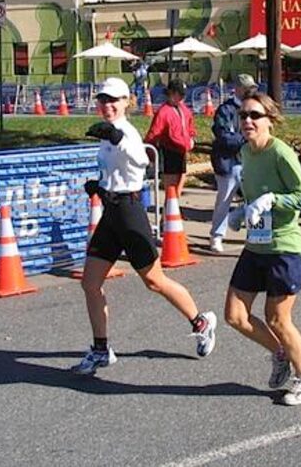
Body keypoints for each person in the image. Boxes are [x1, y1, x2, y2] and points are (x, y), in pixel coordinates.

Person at [72, 77, 216, 375]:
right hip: (111, 212)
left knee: (154, 281)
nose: (107, 105)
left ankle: (200, 321)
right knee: (90, 283)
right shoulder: (107, 133)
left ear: (127, 101)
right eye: (102, 100)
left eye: (114, 100)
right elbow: (115, 170)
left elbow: (141, 162)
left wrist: (117, 139)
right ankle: (101, 349)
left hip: (130, 212)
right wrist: (98, 186)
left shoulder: (126, 133)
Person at [224, 92, 301, 406]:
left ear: (270, 120)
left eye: (255, 115)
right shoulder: (245, 152)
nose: (248, 121)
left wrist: (273, 200)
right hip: (256, 244)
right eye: (243, 116)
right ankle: (280, 352)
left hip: (284, 247)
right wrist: (242, 211)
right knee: (235, 315)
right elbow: (255, 193)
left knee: (278, 318)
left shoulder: (280, 153)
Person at [208, 74, 257, 254]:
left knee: (255, 198)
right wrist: (246, 139)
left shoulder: (251, 108)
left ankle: (256, 234)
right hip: (229, 162)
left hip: (248, 161)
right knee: (224, 200)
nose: (250, 91)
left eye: (251, 88)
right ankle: (216, 236)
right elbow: (224, 137)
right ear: (237, 89)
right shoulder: (225, 110)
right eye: (247, 88)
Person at [144, 79, 196, 196]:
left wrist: (192, 137)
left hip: (182, 150)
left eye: (183, 94)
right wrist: (149, 154)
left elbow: (190, 125)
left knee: (180, 181)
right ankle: (170, 209)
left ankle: (174, 207)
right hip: (169, 150)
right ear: (171, 93)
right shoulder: (164, 112)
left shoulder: (184, 110)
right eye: (180, 94)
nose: (182, 97)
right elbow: (153, 133)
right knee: (171, 186)